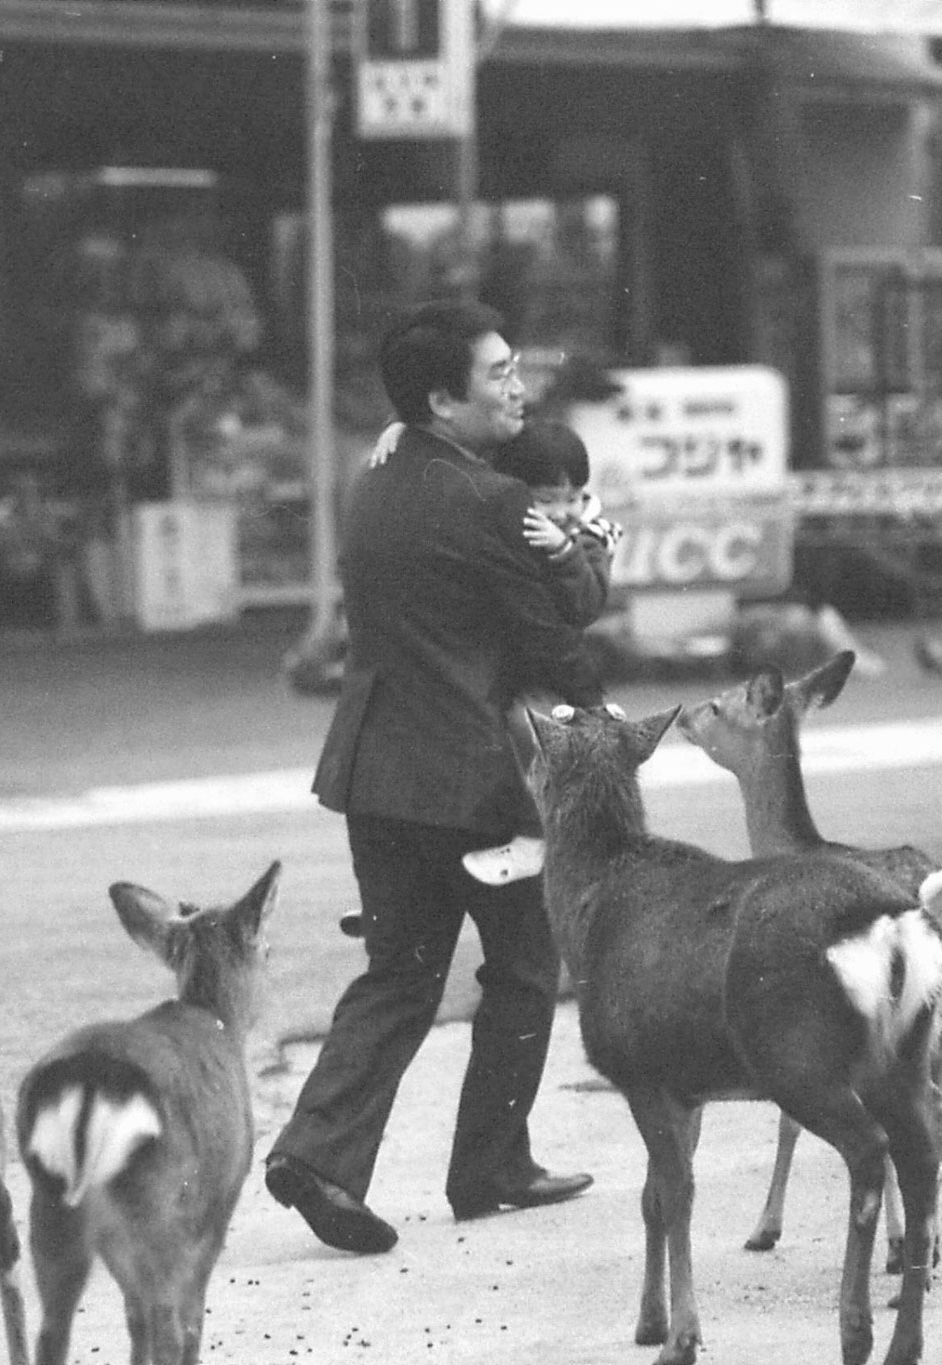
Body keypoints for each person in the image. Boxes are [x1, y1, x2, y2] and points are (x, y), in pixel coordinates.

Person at [263, 300, 606, 1255]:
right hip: (475, 780)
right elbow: (550, 635)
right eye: (498, 374)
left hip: (374, 770)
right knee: (527, 966)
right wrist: (609, 718)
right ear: (443, 398)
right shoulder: (495, 504)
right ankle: (490, 1164)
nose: (517, 384)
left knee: (400, 974)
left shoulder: (375, 480)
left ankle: (320, 1152)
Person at [459, 419, 622, 887]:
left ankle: (537, 836)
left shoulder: (589, 537)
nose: (564, 510)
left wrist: (567, 553)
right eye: (547, 500)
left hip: (548, 673)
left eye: (573, 497)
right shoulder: (504, 525)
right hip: (506, 663)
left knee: (529, 728)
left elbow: (586, 604)